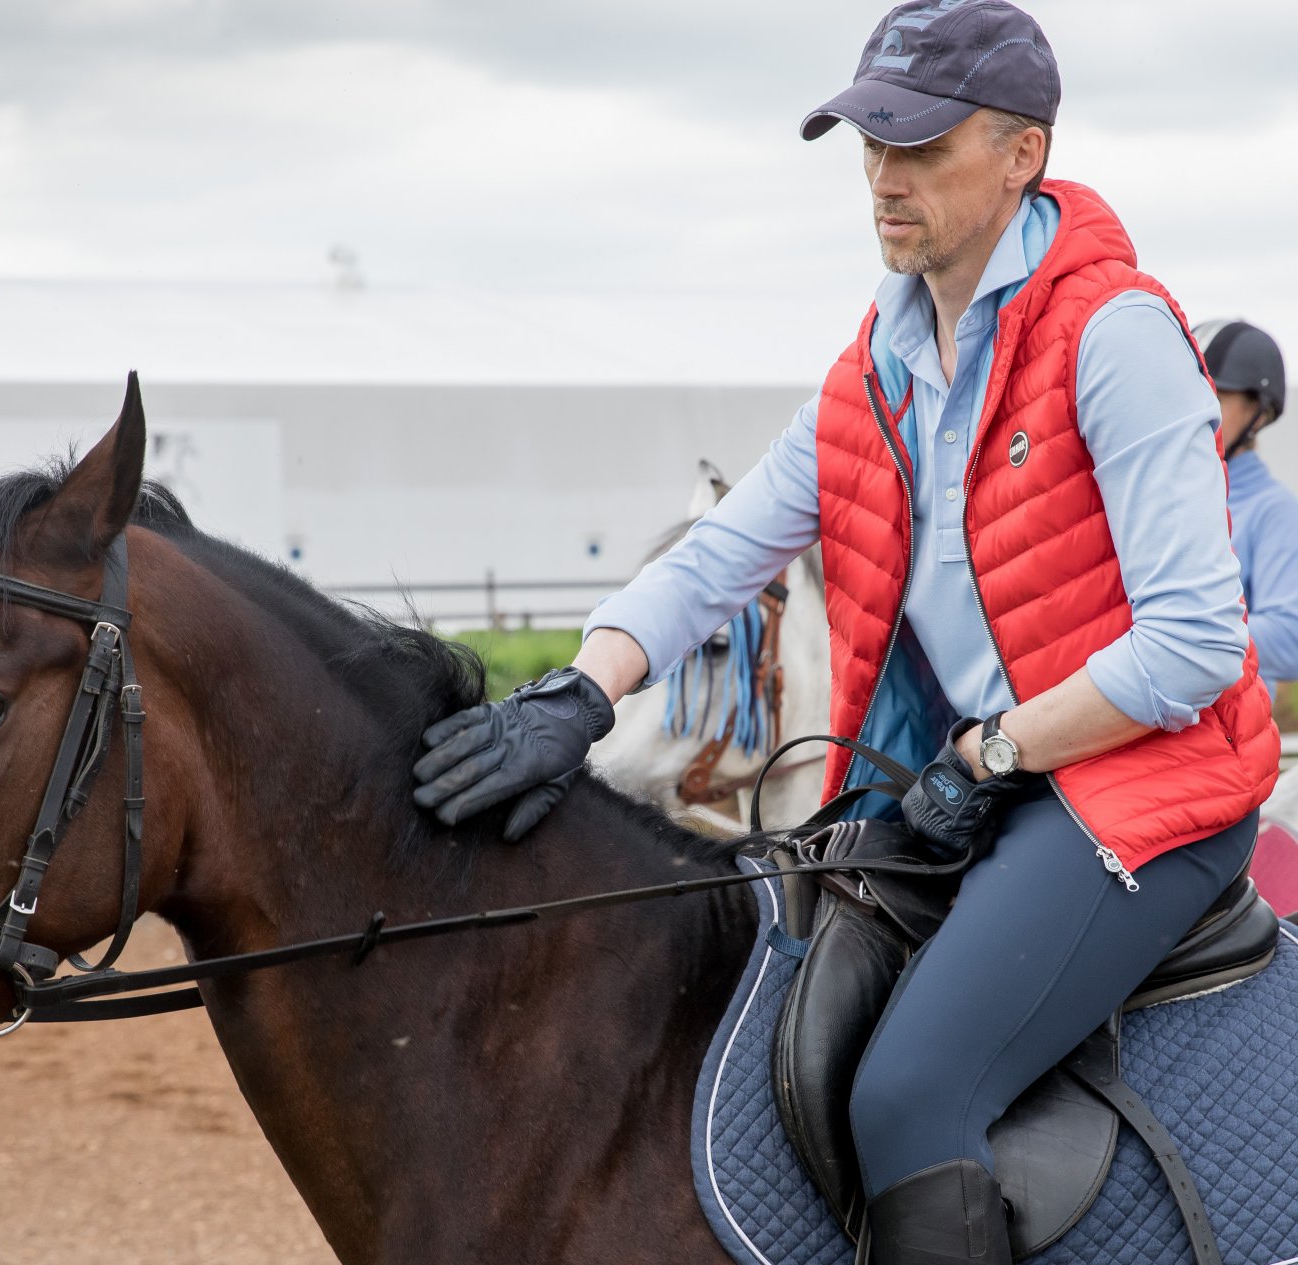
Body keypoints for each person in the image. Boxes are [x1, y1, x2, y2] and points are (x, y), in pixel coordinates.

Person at [410, 3, 1280, 1262]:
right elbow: (719, 555)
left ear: (1024, 153)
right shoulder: (875, 362)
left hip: (1139, 792)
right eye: (871, 143)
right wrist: (580, 695)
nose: (884, 176)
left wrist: (992, 754)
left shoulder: (1120, 336)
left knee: (909, 1091)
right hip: (972, 784)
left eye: (921, 147)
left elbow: (1197, 643)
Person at [1194, 318, 1298, 696]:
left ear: (1259, 412)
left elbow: (1291, 637)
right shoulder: (1167, 498)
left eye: (1215, 397)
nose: (1196, 411)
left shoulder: (1274, 510)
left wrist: (1182, 637)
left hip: (1226, 738)